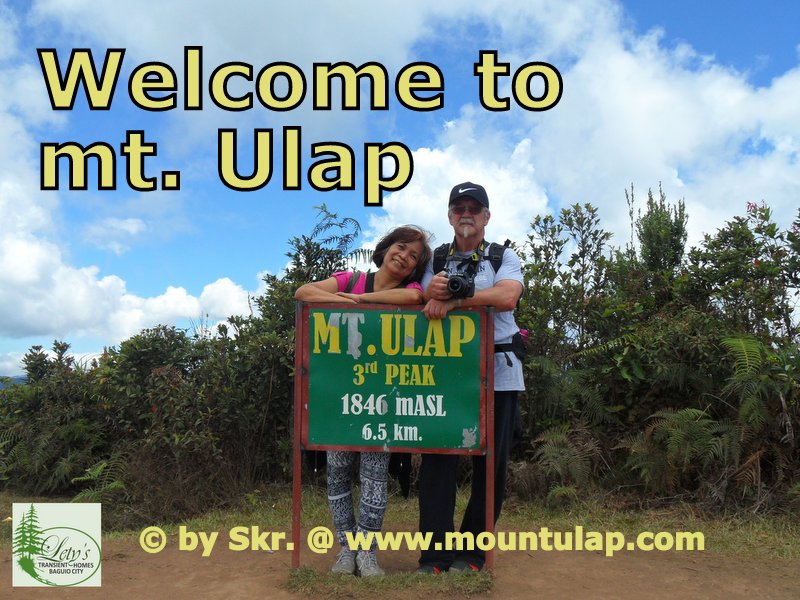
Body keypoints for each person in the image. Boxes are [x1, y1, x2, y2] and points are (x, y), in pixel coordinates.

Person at [294, 225, 431, 577]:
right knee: (337, 475)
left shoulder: (411, 290)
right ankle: (345, 551)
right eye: (401, 247)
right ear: (385, 249)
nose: (404, 257)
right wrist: (351, 298)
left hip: (381, 401)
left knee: (374, 477)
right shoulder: (351, 279)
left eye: (414, 256)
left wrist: (360, 303)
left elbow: (415, 300)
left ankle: (367, 552)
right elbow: (304, 291)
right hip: (339, 398)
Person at [417, 182, 524, 574]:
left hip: (498, 371)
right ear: (449, 216)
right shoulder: (438, 257)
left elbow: (507, 297)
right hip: (443, 375)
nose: (466, 213)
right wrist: (435, 289)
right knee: (436, 462)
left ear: (486, 217)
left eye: (474, 208)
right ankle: (435, 557)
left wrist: (457, 299)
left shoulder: (502, 255)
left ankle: (472, 554)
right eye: (458, 207)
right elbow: (422, 293)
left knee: (490, 468)